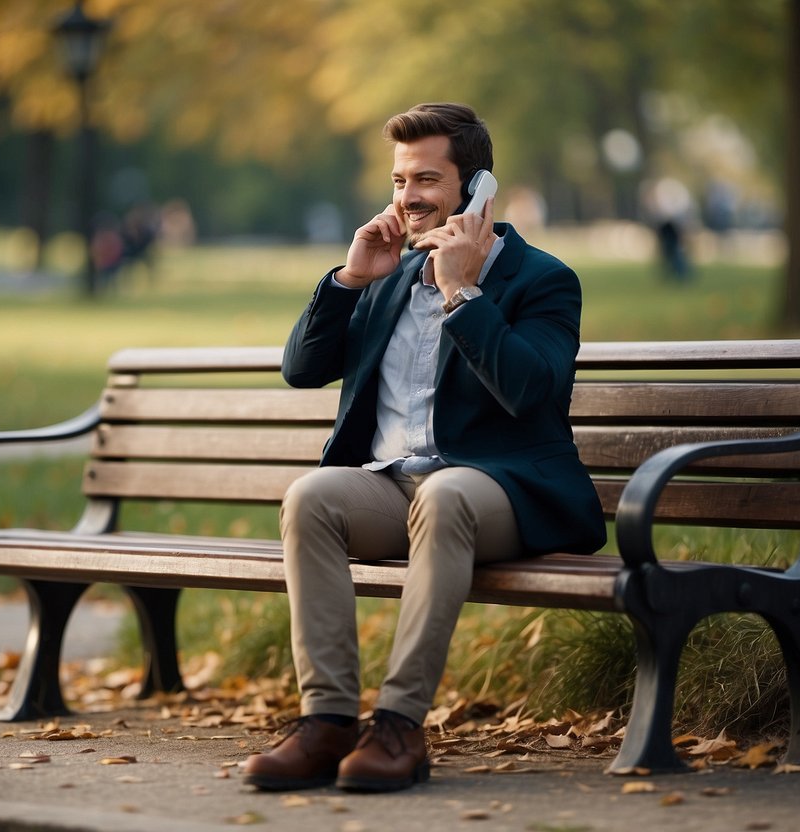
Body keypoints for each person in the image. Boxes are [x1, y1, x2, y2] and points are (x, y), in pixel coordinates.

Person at [243, 103, 606, 793]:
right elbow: (300, 369)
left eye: (426, 179)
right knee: (311, 497)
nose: (407, 197)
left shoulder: (541, 280)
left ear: (475, 189)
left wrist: (464, 291)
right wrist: (351, 279)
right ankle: (325, 724)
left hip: (502, 491)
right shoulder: (385, 277)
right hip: (393, 487)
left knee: (444, 493)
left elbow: (529, 391)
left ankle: (400, 726)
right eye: (398, 180)